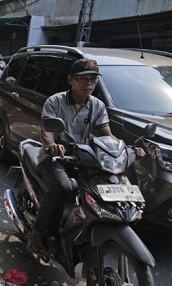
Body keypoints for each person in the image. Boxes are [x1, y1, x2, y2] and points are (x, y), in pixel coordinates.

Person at [27, 59, 111, 253]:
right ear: (70, 80)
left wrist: (124, 149)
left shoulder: (97, 106)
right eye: (82, 79)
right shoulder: (55, 102)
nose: (88, 83)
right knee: (62, 187)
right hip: (53, 157)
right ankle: (37, 232)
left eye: (92, 79)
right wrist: (52, 146)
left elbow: (106, 134)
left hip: (84, 157)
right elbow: (46, 132)